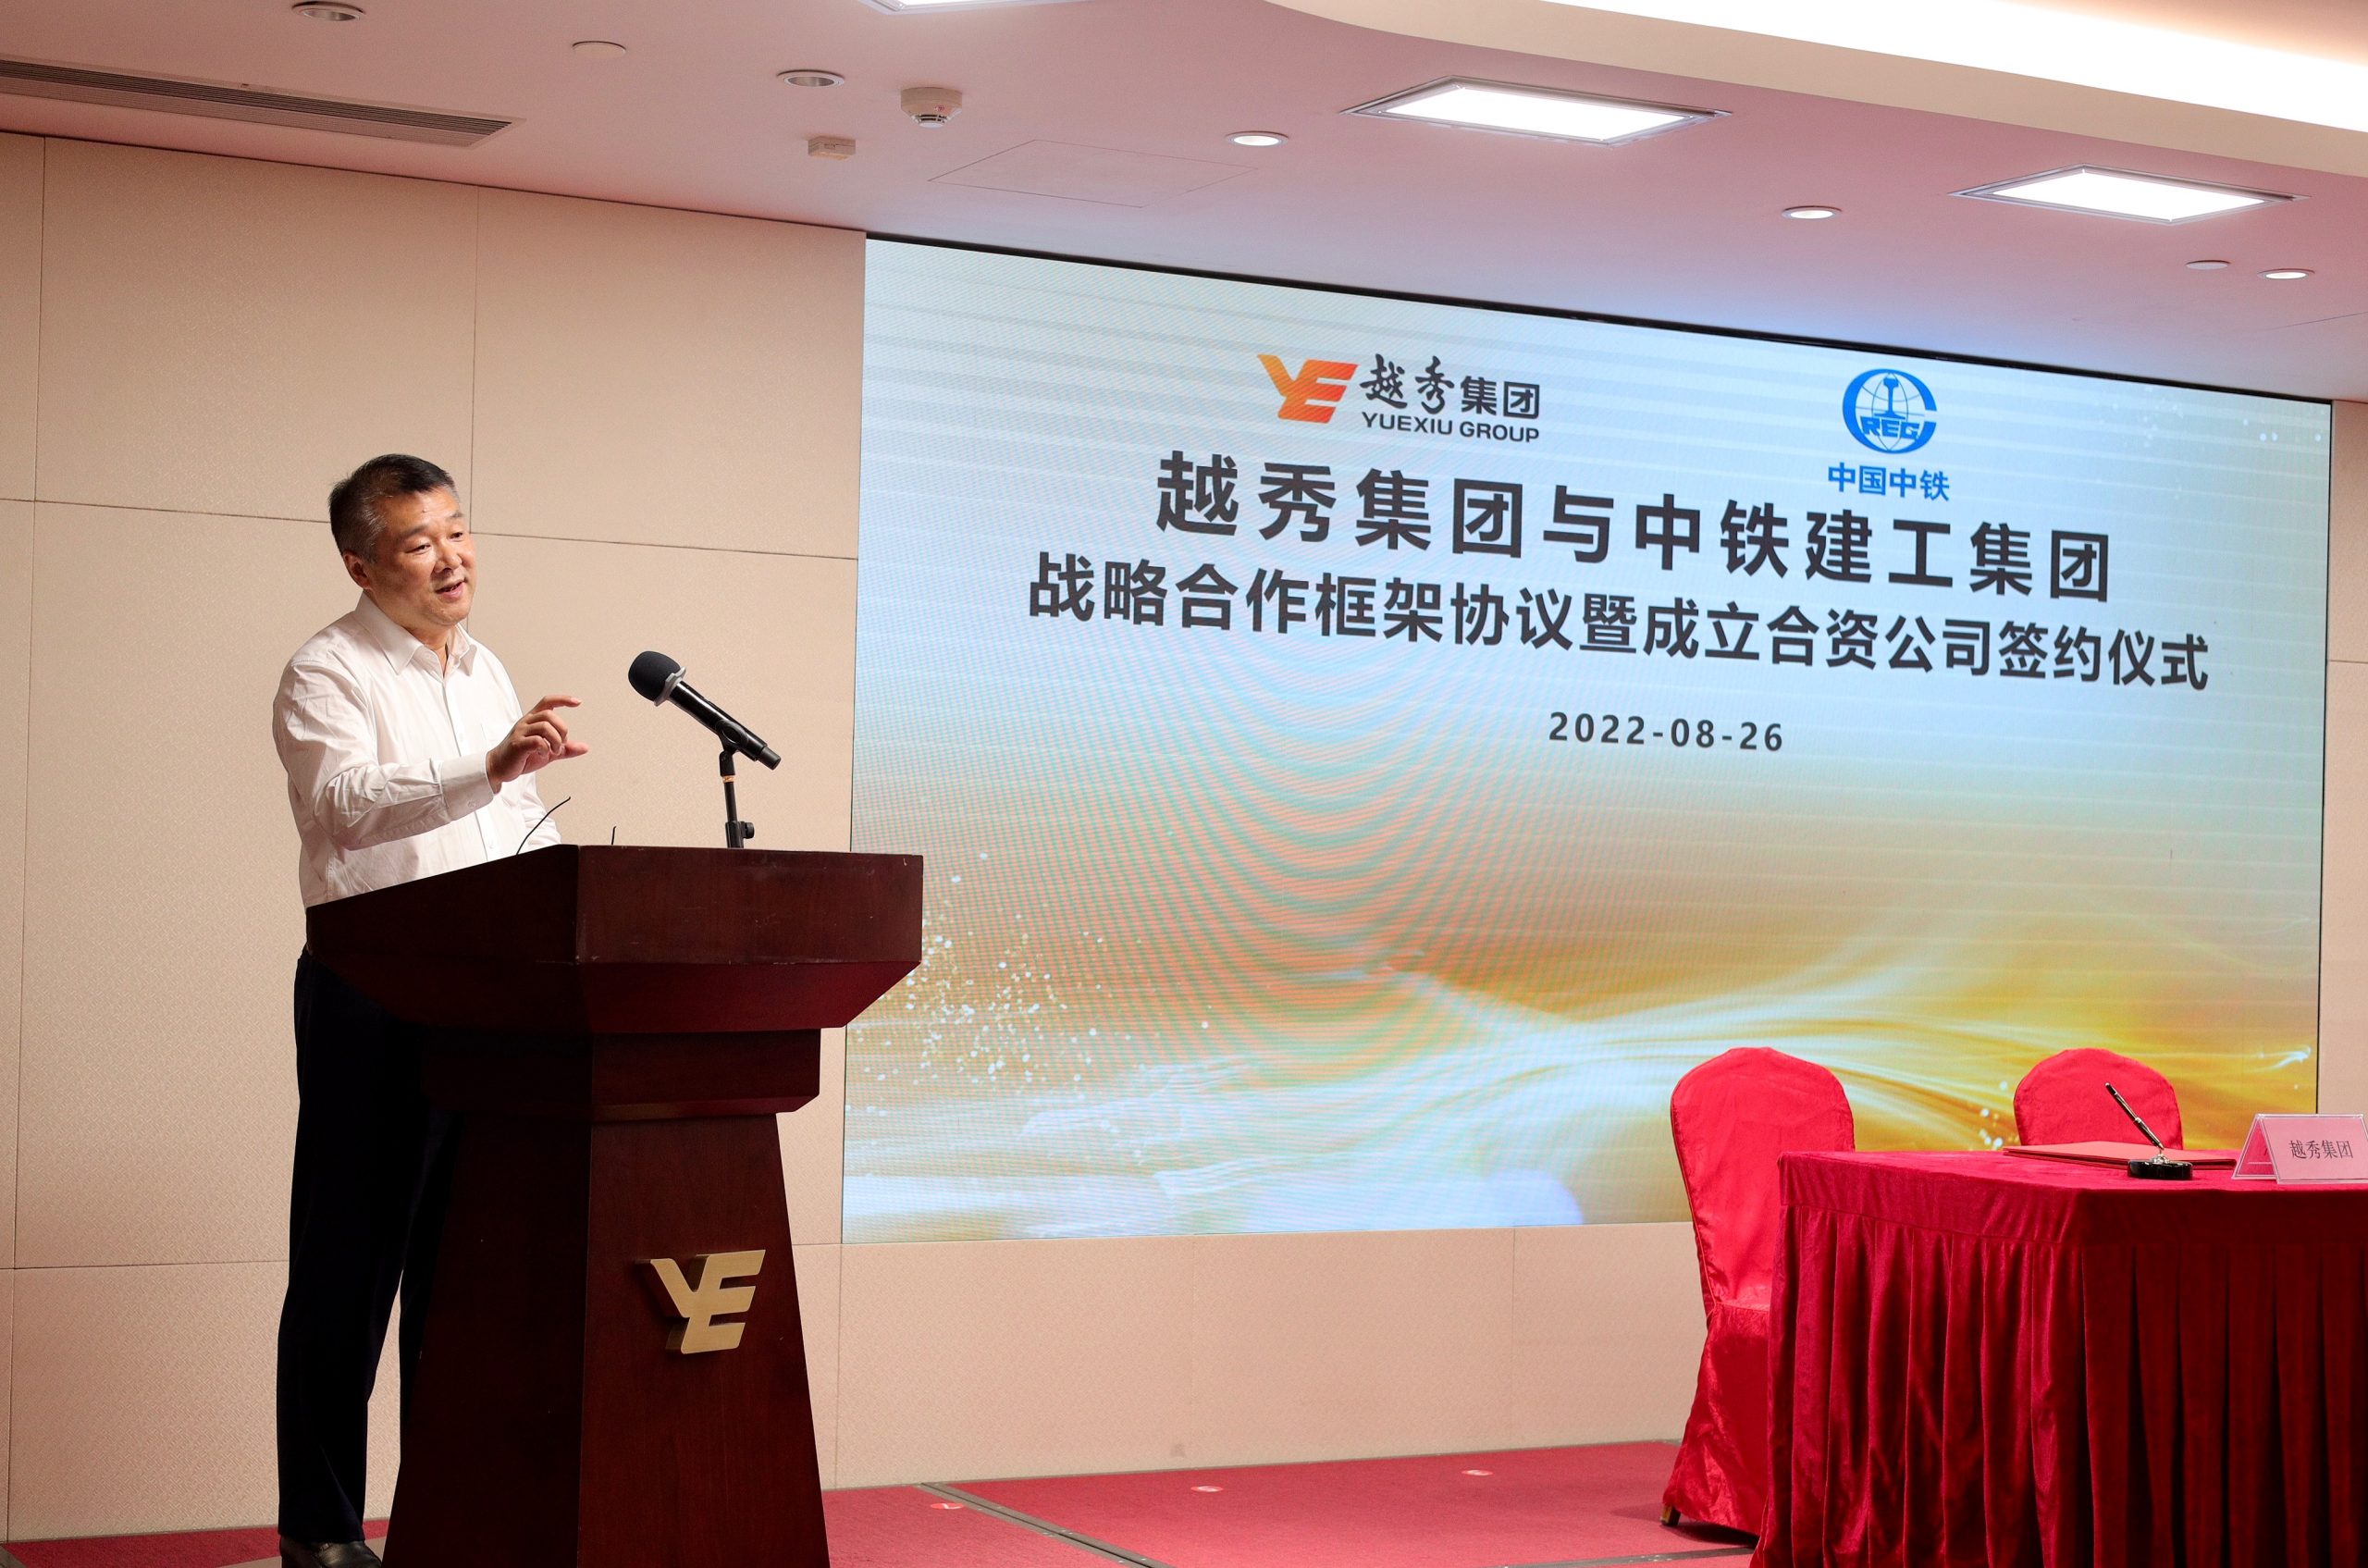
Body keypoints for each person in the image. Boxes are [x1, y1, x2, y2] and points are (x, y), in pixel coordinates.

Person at [268, 454, 587, 1568]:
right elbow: (346, 806)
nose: (451, 558)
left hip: (487, 1001)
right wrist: (485, 766)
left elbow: (509, 824)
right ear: (362, 565)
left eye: (457, 531)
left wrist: (579, 888)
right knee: (348, 1270)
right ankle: (320, 1530)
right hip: (374, 994)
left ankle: (443, 1519)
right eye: (419, 542)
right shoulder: (327, 671)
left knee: (463, 1279)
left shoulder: (485, 667)